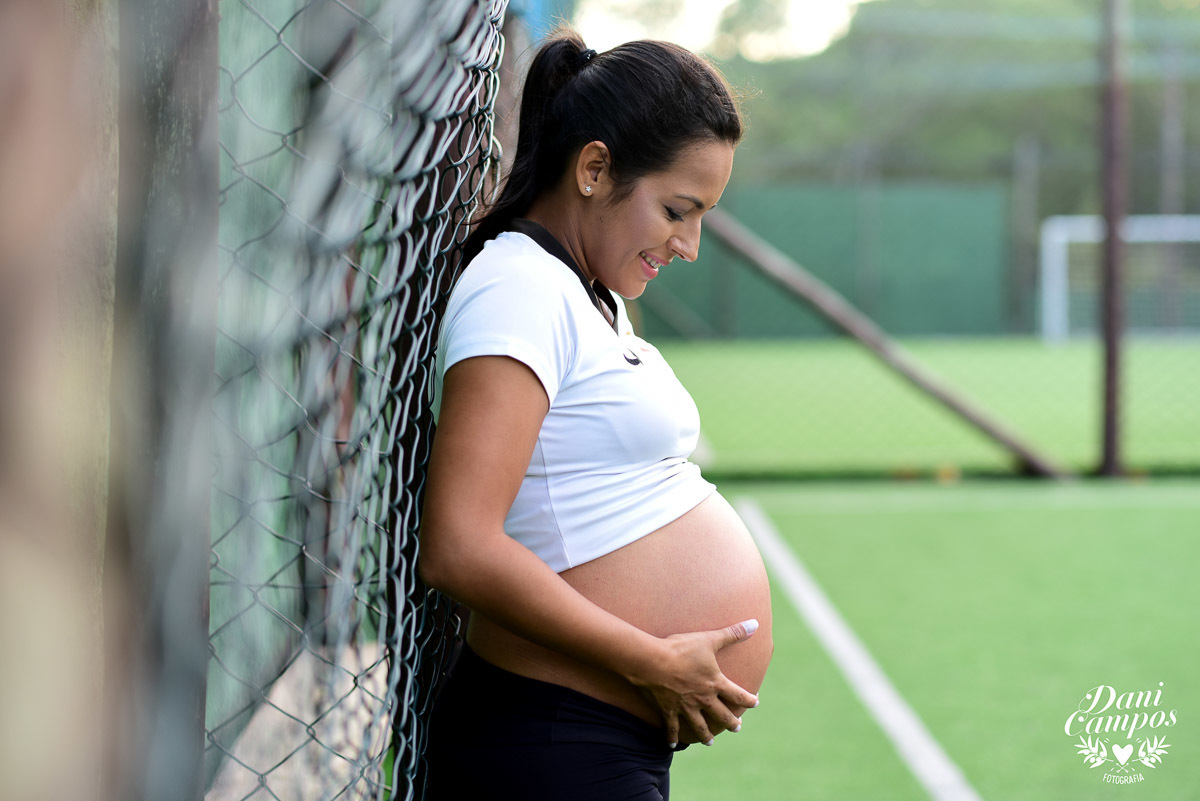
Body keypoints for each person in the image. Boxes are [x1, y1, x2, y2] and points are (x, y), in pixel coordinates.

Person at [419, 29, 774, 801]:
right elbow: (458, 546)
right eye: (677, 210)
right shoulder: (519, 291)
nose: (690, 244)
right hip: (548, 741)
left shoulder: (587, 290)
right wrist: (652, 659)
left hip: (587, 738)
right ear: (593, 169)